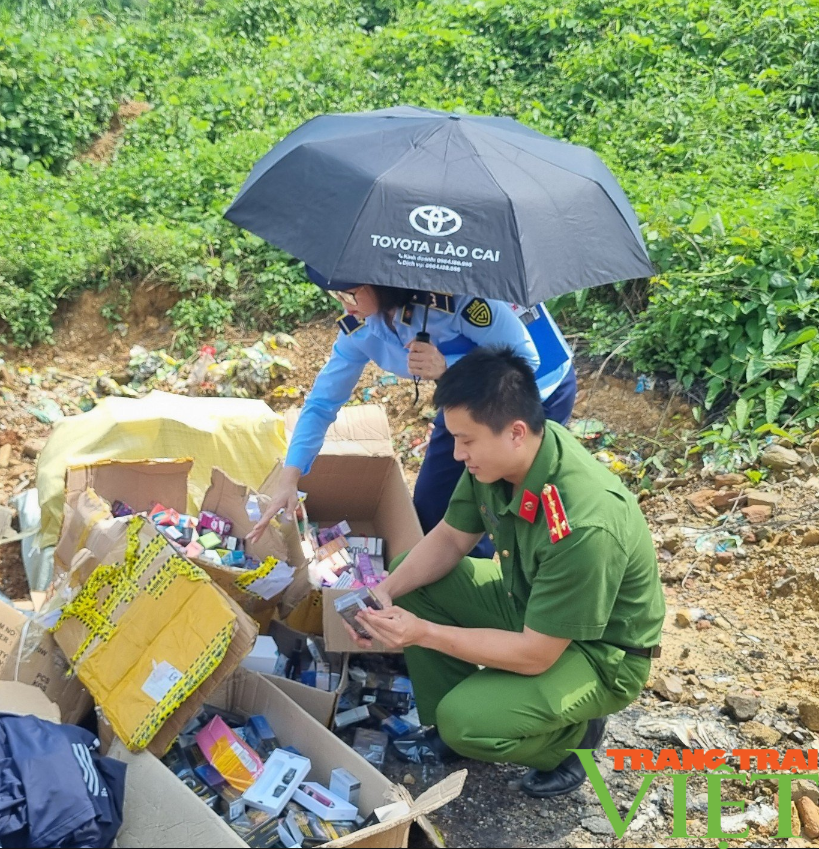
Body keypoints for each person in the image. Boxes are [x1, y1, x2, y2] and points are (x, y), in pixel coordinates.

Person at [349, 347, 664, 797]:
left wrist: (423, 633)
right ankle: (458, 720)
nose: (457, 453)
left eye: (467, 440)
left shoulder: (583, 521)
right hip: (531, 599)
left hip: (598, 650)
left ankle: (573, 740)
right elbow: (451, 537)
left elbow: (537, 653)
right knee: (410, 577)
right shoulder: (504, 458)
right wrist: (383, 592)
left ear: (516, 432)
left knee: (468, 721)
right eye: (453, 437)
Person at [249, 268, 577, 557]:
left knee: (493, 500)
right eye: (333, 294)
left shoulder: (457, 300)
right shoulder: (361, 327)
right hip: (465, 392)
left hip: (534, 389)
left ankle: (480, 590)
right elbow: (322, 402)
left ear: (382, 282)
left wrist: (446, 368)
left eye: (348, 293)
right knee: (431, 502)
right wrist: (289, 479)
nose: (342, 303)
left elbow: (524, 363)